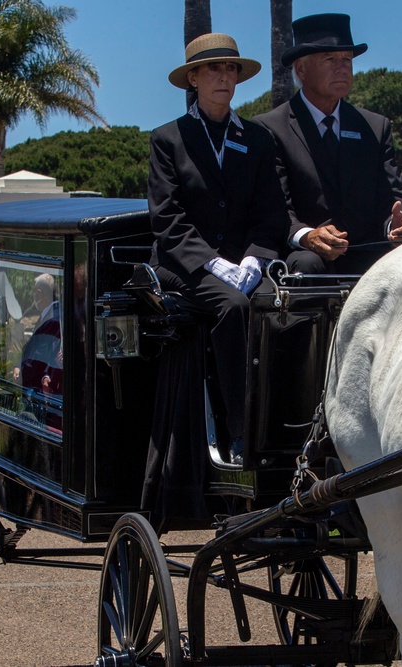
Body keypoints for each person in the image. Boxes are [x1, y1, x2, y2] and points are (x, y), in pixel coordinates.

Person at [147, 33, 289, 465]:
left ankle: (291, 424)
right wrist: (213, 263)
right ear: (193, 78)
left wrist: (253, 259)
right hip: (181, 265)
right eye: (214, 69)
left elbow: (272, 215)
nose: (224, 77)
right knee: (232, 307)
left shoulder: (259, 139)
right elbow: (166, 219)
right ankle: (242, 433)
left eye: (231, 69)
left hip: (244, 263)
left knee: (283, 302)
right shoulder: (168, 139)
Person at [254, 12, 402, 275]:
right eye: (330, 59)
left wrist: (397, 224)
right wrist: (307, 236)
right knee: (307, 265)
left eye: (347, 60)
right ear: (301, 69)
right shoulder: (270, 129)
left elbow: (392, 198)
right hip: (307, 255)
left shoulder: (375, 127)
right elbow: (275, 209)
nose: (342, 68)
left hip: (368, 251)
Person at [17, 273, 62, 395]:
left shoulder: (53, 319)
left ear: (39, 293)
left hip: (41, 390)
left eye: (34, 293)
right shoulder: (47, 316)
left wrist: (22, 372)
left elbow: (40, 356)